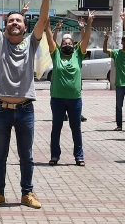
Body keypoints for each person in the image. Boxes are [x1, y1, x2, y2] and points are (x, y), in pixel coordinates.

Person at [0, 0, 51, 209]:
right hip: (1, 110)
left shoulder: (32, 44)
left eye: (18, 20)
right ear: (6, 26)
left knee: (27, 156)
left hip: (25, 111)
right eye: (11, 20)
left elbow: (42, 19)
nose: (14, 22)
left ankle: (27, 193)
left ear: (24, 27)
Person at [45, 9, 93, 167]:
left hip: (75, 100)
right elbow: (49, 39)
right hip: (57, 99)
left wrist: (87, 24)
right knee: (56, 128)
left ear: (74, 45)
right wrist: (48, 26)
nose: (66, 45)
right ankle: (54, 156)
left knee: (76, 129)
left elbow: (86, 39)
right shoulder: (56, 54)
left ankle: (79, 157)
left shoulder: (78, 54)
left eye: (69, 43)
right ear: (60, 45)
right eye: (64, 43)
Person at [103, 10, 125, 131]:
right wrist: (106, 39)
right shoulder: (116, 53)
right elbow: (106, 50)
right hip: (120, 84)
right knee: (119, 106)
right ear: (121, 42)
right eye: (124, 40)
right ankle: (119, 125)